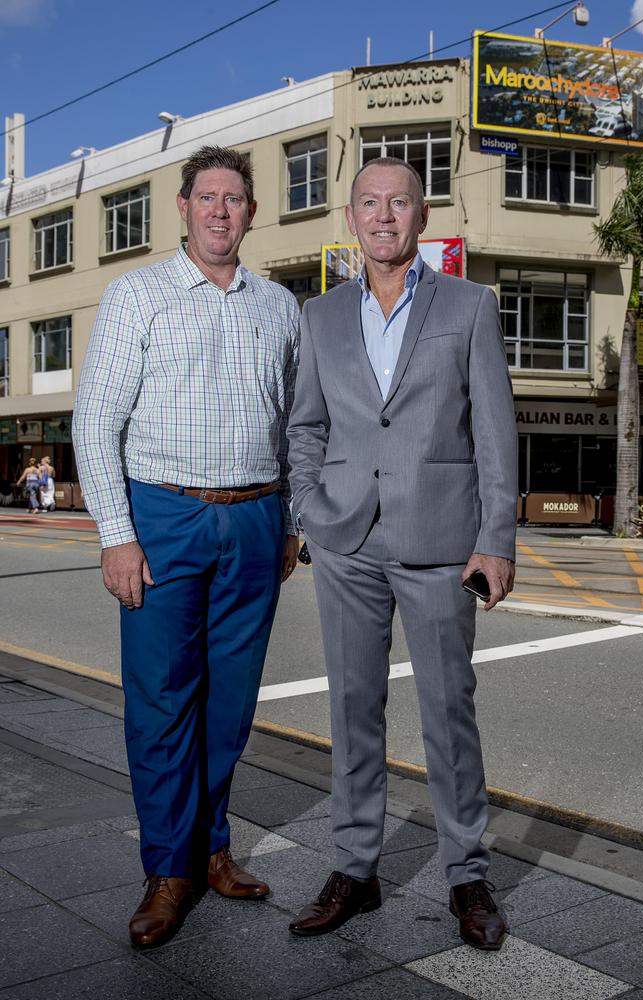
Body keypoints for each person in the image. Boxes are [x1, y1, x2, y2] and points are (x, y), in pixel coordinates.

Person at [287, 158, 517, 951]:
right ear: (350, 217)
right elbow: (305, 426)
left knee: (449, 712)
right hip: (346, 541)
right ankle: (356, 869)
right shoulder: (317, 316)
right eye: (369, 203)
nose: (384, 216)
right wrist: (309, 509)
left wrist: (496, 539)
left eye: (399, 203)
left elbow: (492, 431)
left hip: (441, 545)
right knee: (352, 711)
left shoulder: (470, 304)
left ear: (423, 216)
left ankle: (467, 875)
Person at [73, 145, 300, 949]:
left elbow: (297, 430)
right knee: (164, 703)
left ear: (251, 212)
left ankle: (210, 848)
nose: (220, 211)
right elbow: (95, 422)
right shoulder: (136, 296)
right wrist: (117, 535)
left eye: (234, 199)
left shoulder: (280, 307)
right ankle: (169, 867)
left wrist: (291, 525)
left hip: (255, 519)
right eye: (206, 197)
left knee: (229, 705)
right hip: (164, 517)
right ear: (183, 207)